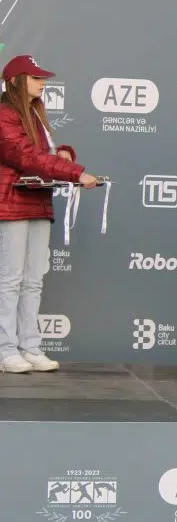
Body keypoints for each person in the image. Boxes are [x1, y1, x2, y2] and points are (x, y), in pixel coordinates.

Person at [0, 55, 99, 374]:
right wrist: (75, 172)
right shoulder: (3, 115)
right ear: (15, 81)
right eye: (36, 78)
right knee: (9, 280)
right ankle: (5, 350)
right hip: (10, 202)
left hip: (38, 200)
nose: (43, 83)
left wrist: (62, 154)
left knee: (33, 280)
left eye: (42, 78)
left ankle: (29, 347)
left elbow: (41, 156)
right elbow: (25, 156)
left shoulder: (34, 115)